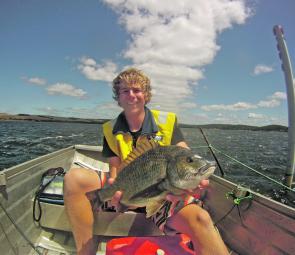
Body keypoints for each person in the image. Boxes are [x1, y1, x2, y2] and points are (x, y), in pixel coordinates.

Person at [64, 68, 229, 255]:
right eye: (125, 91)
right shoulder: (109, 129)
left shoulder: (166, 121)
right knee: (74, 178)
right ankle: (85, 251)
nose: (132, 95)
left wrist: (192, 183)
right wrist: (121, 196)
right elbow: (115, 170)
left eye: (137, 90)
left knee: (201, 219)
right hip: (129, 187)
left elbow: (184, 153)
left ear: (146, 95)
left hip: (165, 192)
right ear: (118, 98)